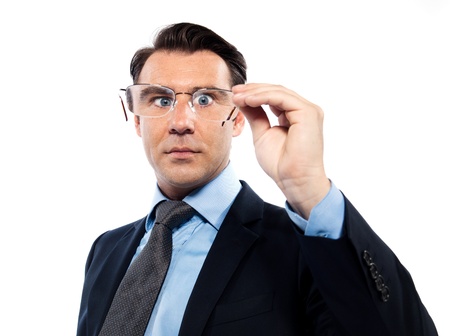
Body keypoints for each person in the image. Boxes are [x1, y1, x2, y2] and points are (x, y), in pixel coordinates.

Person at [76, 22, 438, 336]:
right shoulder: (105, 251)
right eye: (159, 100)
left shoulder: (303, 246)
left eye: (204, 99)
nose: (181, 122)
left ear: (237, 118)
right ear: (136, 118)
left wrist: (308, 189)